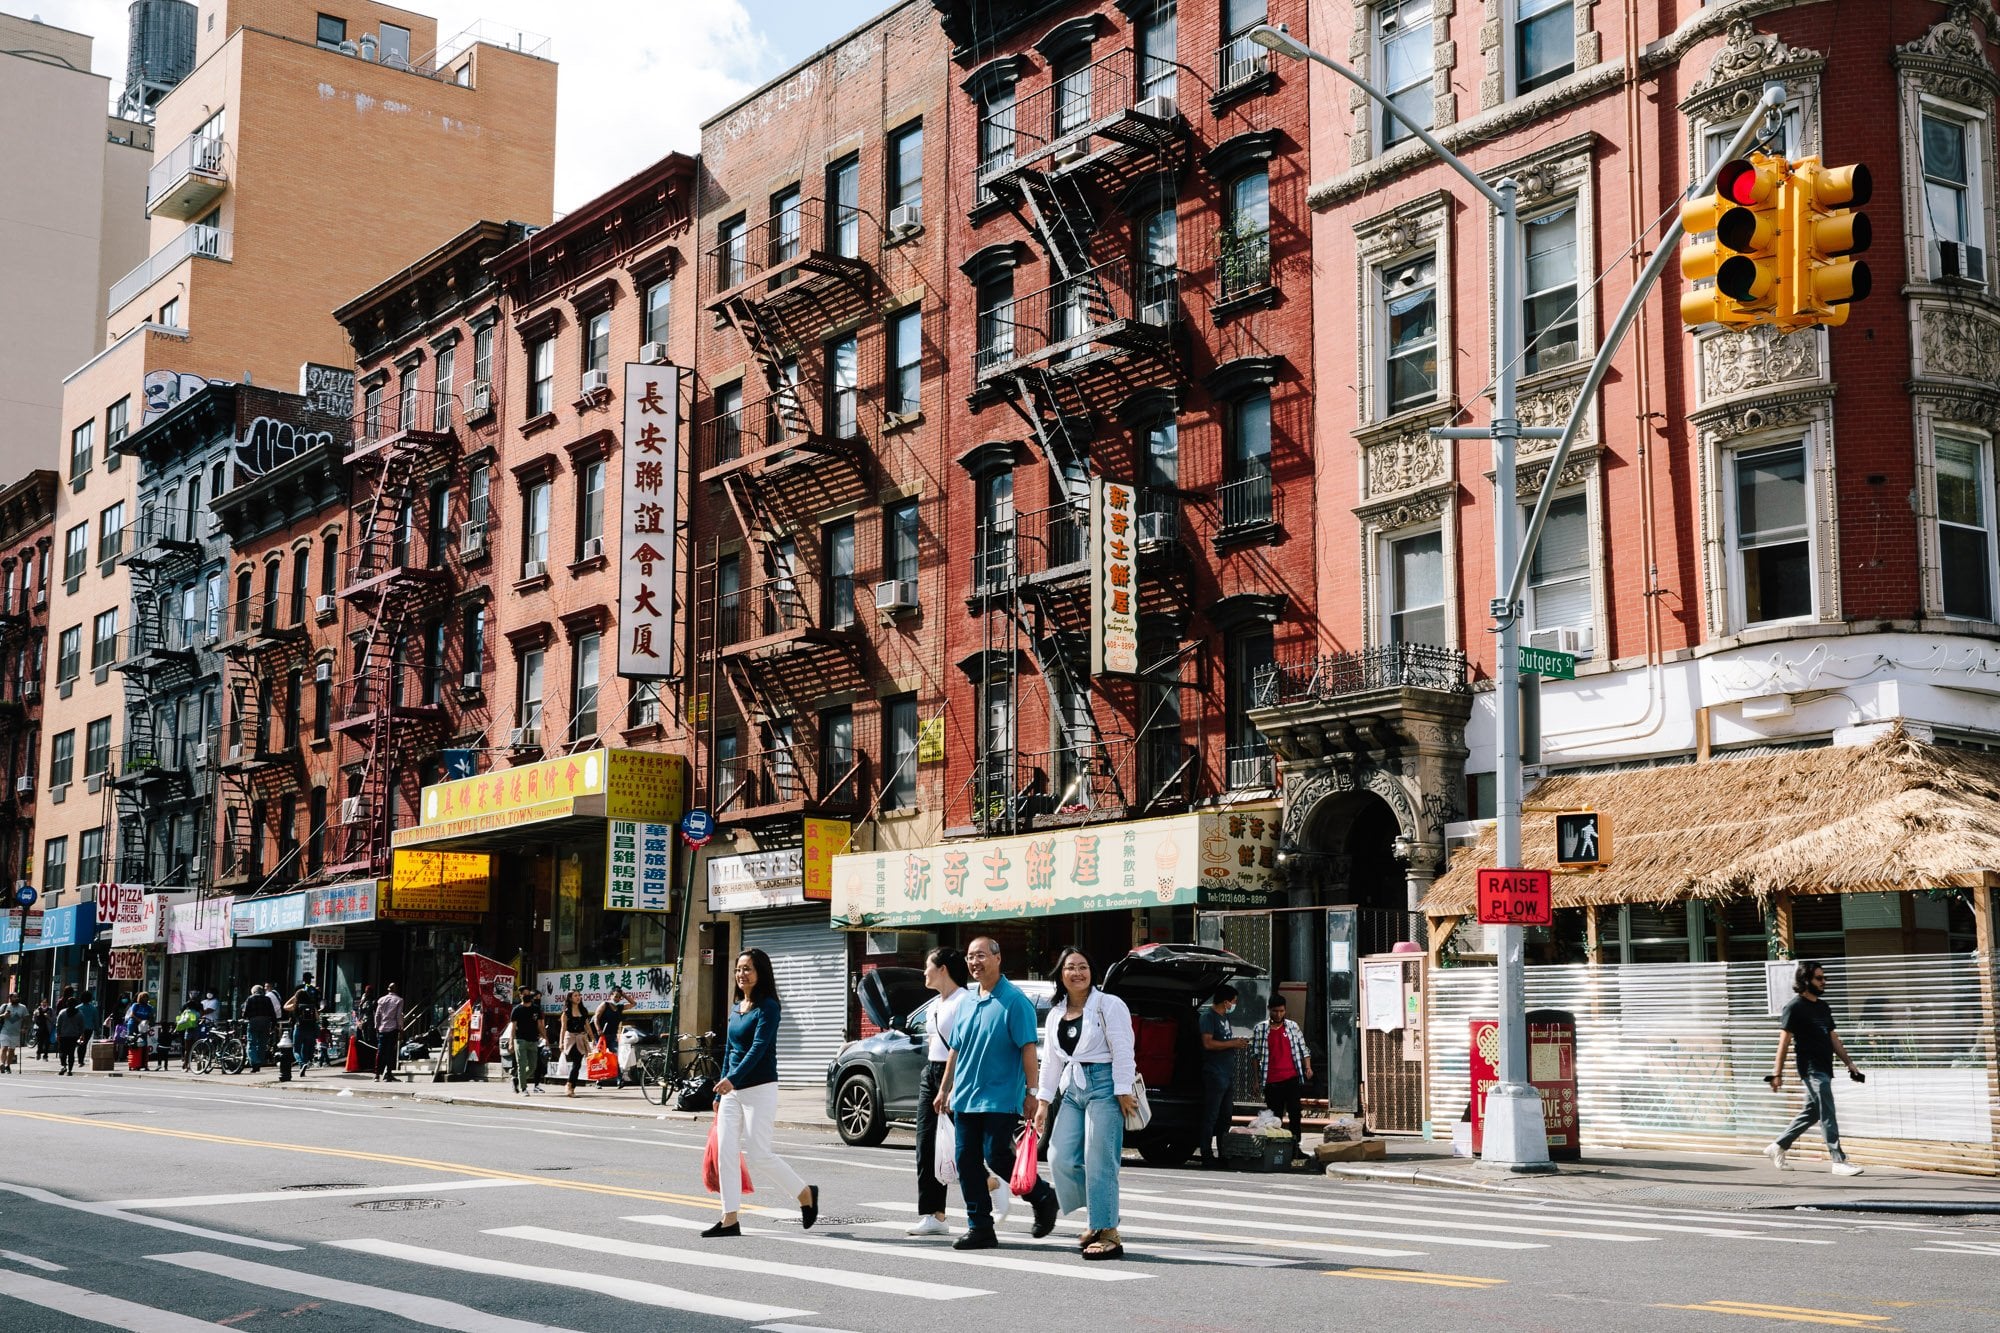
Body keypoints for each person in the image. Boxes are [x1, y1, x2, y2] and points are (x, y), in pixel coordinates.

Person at [934, 936, 1059, 1251]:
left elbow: (1028, 1050)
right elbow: (955, 1049)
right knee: (966, 1162)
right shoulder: (967, 1001)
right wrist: (945, 1087)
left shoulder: (1015, 1002)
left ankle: (1042, 1196)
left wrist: (1032, 1093)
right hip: (965, 1096)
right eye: (970, 957)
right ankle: (980, 1228)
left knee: (997, 1156)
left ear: (998, 958)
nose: (975, 962)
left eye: (981, 956)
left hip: (1000, 1097)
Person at [702, 949, 818, 1239]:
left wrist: (733, 1079)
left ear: (761, 973)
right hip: (731, 1091)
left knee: (759, 1153)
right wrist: (721, 1089)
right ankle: (729, 1219)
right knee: (725, 1154)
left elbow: (758, 1049)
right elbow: (730, 1050)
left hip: (760, 1088)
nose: (742, 974)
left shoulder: (769, 1007)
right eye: (739, 969)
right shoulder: (737, 1006)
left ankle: (805, 1194)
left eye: (748, 969)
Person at [1036, 948, 1136, 1261]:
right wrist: (1042, 1102)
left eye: (1083, 967)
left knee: (1100, 1160)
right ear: (1060, 974)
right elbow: (1052, 1061)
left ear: (1092, 971)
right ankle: (1100, 1211)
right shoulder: (1056, 1013)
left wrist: (1122, 1089)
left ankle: (1107, 1232)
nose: (1077, 973)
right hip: (1073, 1086)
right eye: (1070, 968)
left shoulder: (1109, 1004)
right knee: (1059, 1156)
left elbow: (1123, 1048)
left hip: (1106, 1085)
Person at [1766, 961, 1867, 1177]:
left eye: (1825, 978)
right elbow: (1783, 1043)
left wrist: (1849, 1063)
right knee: (1827, 1111)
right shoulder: (1794, 1007)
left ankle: (1778, 1146)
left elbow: (1833, 1037)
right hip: (1810, 1069)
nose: (1824, 982)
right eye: (1819, 978)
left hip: (1825, 1067)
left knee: (1812, 1112)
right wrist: (1777, 1073)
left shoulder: (1823, 1006)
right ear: (1805, 981)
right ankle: (1838, 1160)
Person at [909, 947, 974, 1237]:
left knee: (963, 1147)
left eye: (928, 966)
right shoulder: (935, 1003)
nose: (924, 972)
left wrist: (949, 1085)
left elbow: (963, 1047)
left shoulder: (965, 1001)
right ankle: (933, 1215)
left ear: (943, 969)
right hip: (930, 1073)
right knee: (926, 1145)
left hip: (957, 1075)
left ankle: (990, 1184)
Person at [1252, 995, 1314, 1152]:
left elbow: (1303, 1048)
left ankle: (1295, 1148)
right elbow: (1255, 1056)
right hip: (1271, 1080)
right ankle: (1276, 1148)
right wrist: (1256, 1080)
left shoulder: (1293, 1026)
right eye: (1275, 1011)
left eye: (1281, 1011)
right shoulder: (1260, 1029)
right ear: (1269, 1010)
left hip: (1292, 1078)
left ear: (1285, 1010)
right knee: (1275, 1118)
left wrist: (1308, 1067)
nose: (1278, 1015)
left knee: (1295, 1114)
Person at [1198, 984, 1249, 1168]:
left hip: (1227, 1073)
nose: (1235, 1004)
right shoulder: (1208, 1017)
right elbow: (1208, 1044)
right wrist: (1233, 1043)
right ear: (1226, 1001)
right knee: (1211, 1115)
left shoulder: (1225, 1017)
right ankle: (1206, 1153)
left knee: (1226, 1116)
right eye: (1234, 1001)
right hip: (1214, 1072)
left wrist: (1235, 1043)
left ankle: (1223, 1152)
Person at [555, 991, 596, 1098]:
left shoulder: (583, 1010)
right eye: (575, 996)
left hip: (581, 1038)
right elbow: (563, 1028)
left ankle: (571, 1086)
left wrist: (593, 1038)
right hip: (570, 1038)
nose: (578, 997)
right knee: (576, 1061)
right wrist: (561, 1042)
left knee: (577, 1064)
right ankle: (569, 1085)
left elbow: (587, 1026)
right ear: (570, 998)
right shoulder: (566, 1012)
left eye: (579, 995)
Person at [508, 987, 544, 1096]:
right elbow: (513, 1027)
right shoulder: (517, 1009)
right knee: (522, 1064)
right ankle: (524, 1088)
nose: (527, 995)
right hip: (520, 1040)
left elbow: (540, 1025)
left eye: (529, 993)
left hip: (533, 1040)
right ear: (520, 996)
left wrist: (545, 1037)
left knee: (533, 1066)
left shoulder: (536, 1009)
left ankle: (517, 1079)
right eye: (524, 994)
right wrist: (511, 1042)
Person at [593, 985, 633, 1083]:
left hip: (612, 1035)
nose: (617, 999)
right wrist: (599, 1030)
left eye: (619, 997)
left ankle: (619, 1079)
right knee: (600, 1056)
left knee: (615, 1056)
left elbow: (633, 1003)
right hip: (602, 1036)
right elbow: (596, 1017)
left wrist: (624, 995)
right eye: (615, 996)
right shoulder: (605, 1005)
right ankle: (598, 1080)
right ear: (611, 995)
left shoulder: (620, 1007)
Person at [284, 975, 320, 1073]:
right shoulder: (312, 1006)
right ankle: (304, 1065)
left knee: (296, 1049)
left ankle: (301, 1063)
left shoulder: (296, 1006)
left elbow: (285, 1006)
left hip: (299, 1028)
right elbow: (317, 1018)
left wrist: (295, 997)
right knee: (305, 1049)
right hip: (310, 1029)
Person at [373, 982, 407, 1082]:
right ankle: (388, 1073)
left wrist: (377, 1026)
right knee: (390, 1052)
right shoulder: (399, 1000)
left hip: (382, 1029)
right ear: (396, 989)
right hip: (392, 1029)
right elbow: (398, 1016)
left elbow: (377, 1015)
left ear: (388, 989)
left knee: (380, 1051)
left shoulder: (381, 1000)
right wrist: (401, 1029)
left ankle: (377, 1074)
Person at [243, 984, 279, 1073]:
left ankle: (254, 1062)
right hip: (266, 1022)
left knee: (252, 1042)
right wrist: (273, 1024)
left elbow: (245, 1013)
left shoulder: (250, 998)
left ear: (253, 992)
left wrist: (245, 1018)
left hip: (254, 1021)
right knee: (262, 1043)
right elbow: (272, 1013)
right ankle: (259, 1061)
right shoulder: (267, 999)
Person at [55, 994, 84, 1075]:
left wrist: (57, 1034)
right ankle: (70, 1070)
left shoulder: (62, 1012)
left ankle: (64, 1065)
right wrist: (82, 1035)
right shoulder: (79, 1014)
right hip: (74, 1036)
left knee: (62, 1052)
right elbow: (81, 1026)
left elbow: (58, 1025)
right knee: (71, 1053)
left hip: (63, 1035)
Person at [0, 991, 26, 1073]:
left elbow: (26, 1018)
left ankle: (8, 1066)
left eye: (17, 997)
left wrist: (25, 1027)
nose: (16, 998)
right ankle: (2, 1064)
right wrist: (4, 1015)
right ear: (10, 998)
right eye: (14, 997)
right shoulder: (5, 1006)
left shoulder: (23, 1007)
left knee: (11, 1050)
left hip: (16, 1033)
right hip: (5, 1031)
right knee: (4, 1048)